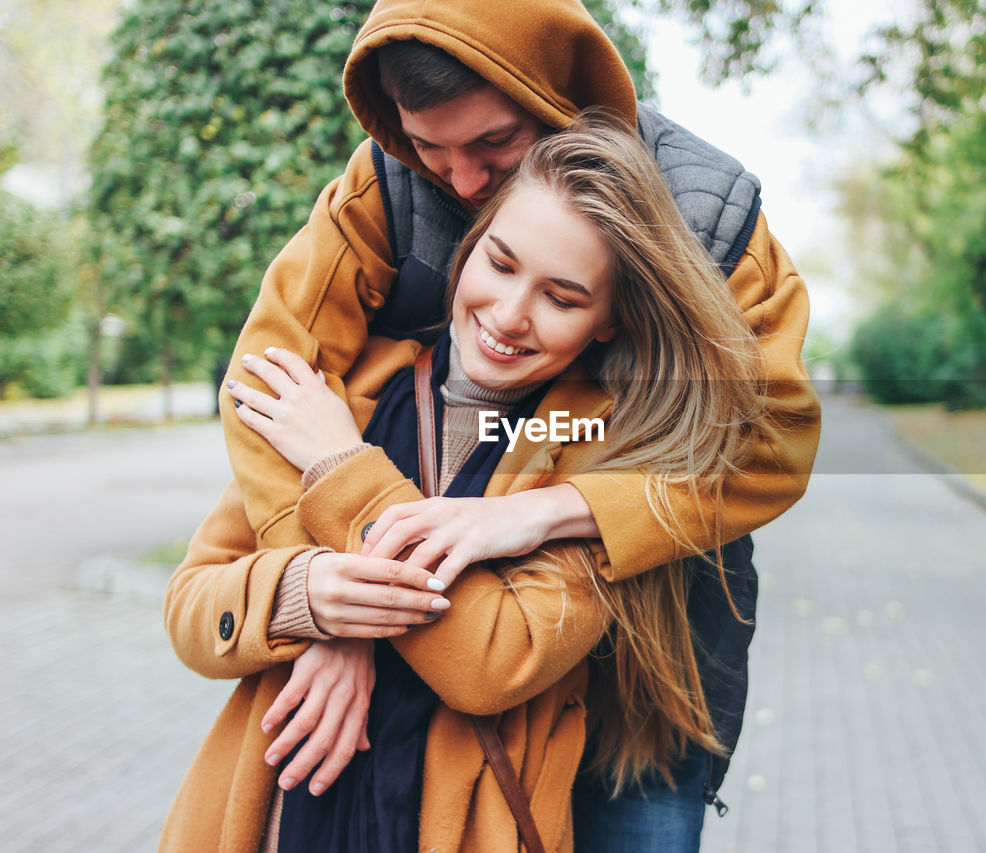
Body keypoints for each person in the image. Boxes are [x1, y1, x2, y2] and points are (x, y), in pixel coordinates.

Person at [216, 0, 821, 844]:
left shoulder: (714, 219)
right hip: (440, 639)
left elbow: (773, 437)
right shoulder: (381, 184)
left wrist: (539, 510)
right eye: (431, 149)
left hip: (636, 672)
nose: (460, 182)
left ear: (556, 94)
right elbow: (270, 381)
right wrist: (333, 598)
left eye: (493, 148)